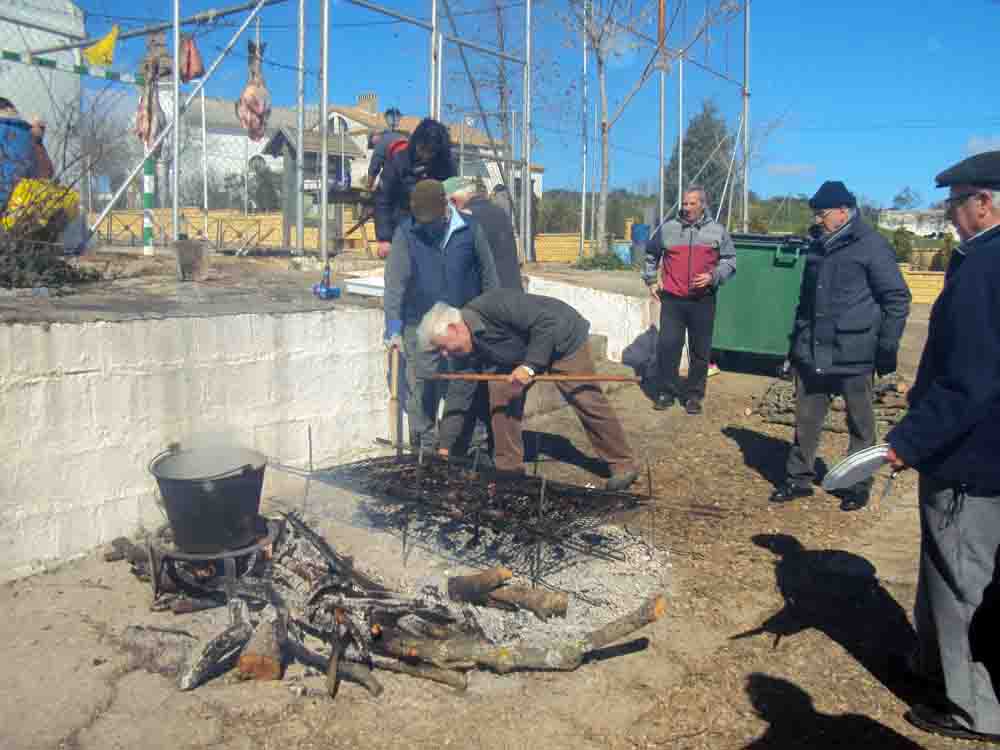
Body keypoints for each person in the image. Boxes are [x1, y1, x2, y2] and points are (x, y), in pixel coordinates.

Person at [883, 151, 1000, 742]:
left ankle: (976, 708)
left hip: (972, 458)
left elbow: (972, 381)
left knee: (963, 581)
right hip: (982, 453)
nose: (950, 215)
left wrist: (907, 441)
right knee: (944, 566)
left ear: (984, 202)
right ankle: (932, 665)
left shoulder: (984, 266)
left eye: (956, 203)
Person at [771, 181, 910, 510]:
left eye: (822, 213)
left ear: (844, 212)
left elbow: (897, 298)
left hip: (855, 353)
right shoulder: (817, 244)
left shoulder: (872, 245)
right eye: (817, 214)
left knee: (861, 424)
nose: (818, 219)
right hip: (813, 350)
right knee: (806, 419)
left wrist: (886, 348)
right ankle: (798, 479)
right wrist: (795, 345)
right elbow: (805, 302)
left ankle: (857, 485)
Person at [417, 290, 640, 491]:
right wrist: (445, 447)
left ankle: (622, 464)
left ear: (454, 329)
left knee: (585, 398)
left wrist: (530, 366)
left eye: (443, 347)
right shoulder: (463, 349)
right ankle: (509, 469)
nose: (444, 355)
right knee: (501, 397)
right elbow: (459, 394)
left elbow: (547, 322)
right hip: (516, 354)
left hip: (562, 337)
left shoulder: (494, 305)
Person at [383, 179, 499, 450]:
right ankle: (424, 451)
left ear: (446, 207)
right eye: (421, 222)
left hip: (462, 327)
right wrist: (393, 330)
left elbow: (489, 277)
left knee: (466, 388)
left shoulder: (471, 230)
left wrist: (486, 322)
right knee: (422, 391)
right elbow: (395, 284)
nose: (426, 227)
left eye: (431, 221)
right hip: (419, 327)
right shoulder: (407, 232)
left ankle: (472, 449)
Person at [642, 186, 736, 415]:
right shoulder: (668, 229)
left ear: (702, 205)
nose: (686, 208)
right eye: (684, 203)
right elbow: (651, 255)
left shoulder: (717, 231)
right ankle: (666, 392)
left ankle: (694, 395)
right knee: (668, 346)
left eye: (692, 203)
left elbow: (730, 261)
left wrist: (713, 276)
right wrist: (651, 281)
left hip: (703, 300)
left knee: (700, 350)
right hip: (673, 299)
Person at [374, 117, 456, 259]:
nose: (425, 155)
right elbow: (383, 199)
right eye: (422, 149)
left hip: (436, 232)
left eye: (430, 152)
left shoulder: (445, 166)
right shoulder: (398, 161)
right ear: (416, 143)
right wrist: (384, 238)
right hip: (402, 226)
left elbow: (454, 199)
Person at [444, 176, 522, 291]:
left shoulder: (466, 218)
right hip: (514, 294)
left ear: (453, 201)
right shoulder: (501, 213)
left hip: (488, 301)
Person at [366, 107, 405, 190]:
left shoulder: (383, 140)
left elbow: (375, 165)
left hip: (390, 182)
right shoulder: (405, 138)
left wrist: (368, 186)